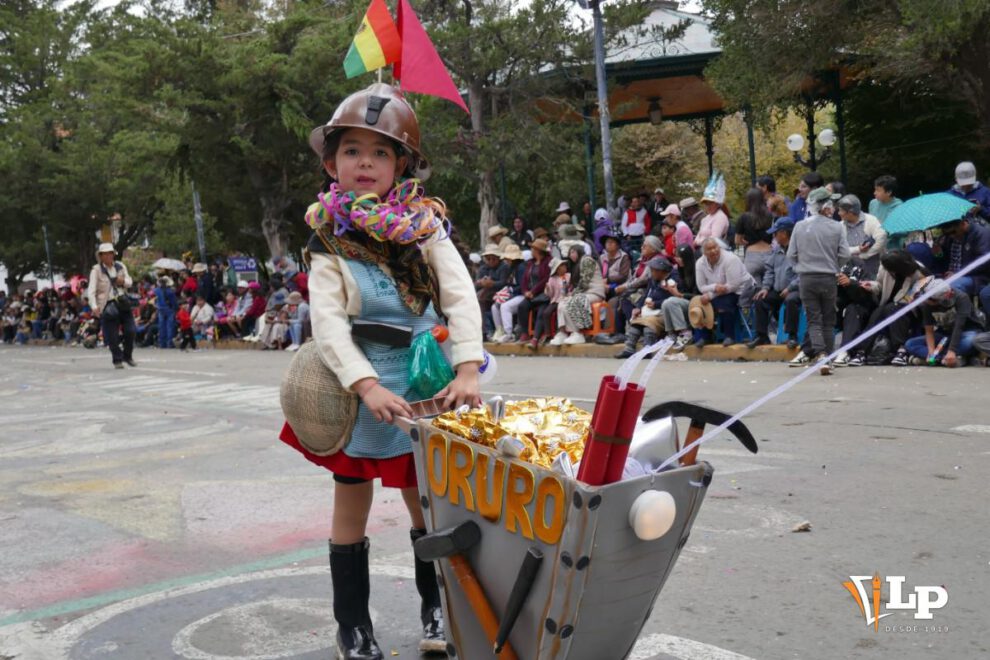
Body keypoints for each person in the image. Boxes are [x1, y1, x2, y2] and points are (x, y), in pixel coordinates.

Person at [278, 83, 483, 660]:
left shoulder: (426, 225)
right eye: (352, 151)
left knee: (426, 499)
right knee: (352, 499)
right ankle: (354, 626)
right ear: (330, 162)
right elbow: (328, 322)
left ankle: (436, 609)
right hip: (360, 386)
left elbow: (461, 296)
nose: (365, 163)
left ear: (402, 165)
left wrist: (467, 368)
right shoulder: (327, 238)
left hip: (425, 379)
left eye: (380, 152)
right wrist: (364, 384)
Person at [787, 188, 851, 374]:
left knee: (813, 319)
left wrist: (802, 266)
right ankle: (827, 357)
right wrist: (833, 264)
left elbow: (791, 255)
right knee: (829, 319)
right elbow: (845, 254)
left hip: (806, 278)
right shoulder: (837, 227)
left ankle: (821, 354)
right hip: (828, 277)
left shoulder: (800, 226)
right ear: (827, 206)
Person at [903, 278, 985, 367]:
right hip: (944, 335)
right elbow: (929, 331)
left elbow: (959, 327)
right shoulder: (927, 304)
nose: (926, 301)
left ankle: (945, 358)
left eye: (930, 299)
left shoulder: (961, 298)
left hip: (966, 332)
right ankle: (948, 359)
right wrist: (931, 352)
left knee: (970, 342)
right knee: (910, 344)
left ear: (941, 299)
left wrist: (952, 351)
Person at [692, 237, 754, 347]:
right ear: (704, 252)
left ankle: (729, 336)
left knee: (723, 302)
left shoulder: (730, 259)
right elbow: (701, 287)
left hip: (741, 290)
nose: (713, 251)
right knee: (700, 303)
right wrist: (715, 287)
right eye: (709, 249)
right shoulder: (700, 263)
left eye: (715, 247)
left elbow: (733, 286)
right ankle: (705, 337)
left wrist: (711, 295)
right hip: (719, 291)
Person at [749, 218, 801, 348]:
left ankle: (792, 337)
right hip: (778, 289)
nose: (774, 236)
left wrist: (790, 288)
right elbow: (769, 271)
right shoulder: (776, 250)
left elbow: (803, 274)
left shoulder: (799, 250)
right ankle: (762, 336)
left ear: (783, 233)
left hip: (795, 290)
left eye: (775, 233)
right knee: (760, 299)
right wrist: (765, 287)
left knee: (791, 301)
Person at [615, 256, 680, 358]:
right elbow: (645, 296)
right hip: (649, 311)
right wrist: (638, 307)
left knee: (648, 327)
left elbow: (674, 299)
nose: (651, 272)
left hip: (664, 313)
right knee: (636, 325)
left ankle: (647, 349)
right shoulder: (653, 280)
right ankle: (629, 349)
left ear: (661, 271)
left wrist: (656, 304)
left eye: (654, 270)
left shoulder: (672, 281)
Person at [87, 243, 137, 369]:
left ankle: (127, 355)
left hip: (122, 302)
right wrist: (94, 306)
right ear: (101, 256)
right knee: (112, 336)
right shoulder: (96, 270)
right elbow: (91, 291)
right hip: (107, 304)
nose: (109, 256)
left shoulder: (120, 266)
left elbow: (130, 282)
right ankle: (117, 359)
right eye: (106, 254)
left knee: (131, 331)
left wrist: (123, 281)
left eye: (111, 253)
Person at [550, 244, 606, 345]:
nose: (571, 255)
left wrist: (572, 295)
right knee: (562, 303)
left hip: (594, 292)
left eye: (573, 252)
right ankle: (563, 332)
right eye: (569, 253)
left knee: (573, 301)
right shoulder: (577, 265)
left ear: (579, 251)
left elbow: (585, 281)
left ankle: (577, 333)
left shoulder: (587, 260)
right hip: (584, 293)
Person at [932, 216, 990, 314]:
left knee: (952, 286)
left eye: (953, 232)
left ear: (963, 223)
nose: (951, 236)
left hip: (977, 276)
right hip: (953, 273)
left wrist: (957, 274)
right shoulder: (949, 238)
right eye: (947, 233)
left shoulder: (980, 234)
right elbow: (944, 258)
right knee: (932, 288)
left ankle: (972, 318)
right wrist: (938, 253)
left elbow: (982, 262)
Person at [836, 194, 888, 279]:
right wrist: (858, 249)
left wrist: (865, 255)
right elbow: (840, 249)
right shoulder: (840, 226)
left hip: (873, 267)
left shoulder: (871, 220)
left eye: (841, 210)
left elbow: (881, 239)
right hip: (850, 271)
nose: (839, 213)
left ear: (850, 212)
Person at [511, 237, 551, 343]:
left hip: (543, 294)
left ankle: (536, 338)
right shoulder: (530, 263)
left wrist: (533, 291)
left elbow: (545, 279)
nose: (531, 251)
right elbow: (524, 279)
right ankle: (525, 333)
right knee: (522, 306)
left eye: (533, 249)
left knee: (541, 312)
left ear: (538, 251)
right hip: (531, 295)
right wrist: (525, 292)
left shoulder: (548, 262)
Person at [734, 187, 774, 294]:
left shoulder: (744, 217)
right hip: (769, 254)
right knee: (768, 289)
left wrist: (744, 242)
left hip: (752, 256)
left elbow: (737, 241)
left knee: (752, 290)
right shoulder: (770, 216)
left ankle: (749, 309)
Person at [528, 257, 570, 349]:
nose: (564, 268)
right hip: (556, 299)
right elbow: (550, 294)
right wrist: (547, 289)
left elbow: (571, 288)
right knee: (546, 313)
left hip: (566, 299)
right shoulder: (552, 279)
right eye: (562, 266)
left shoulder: (568, 276)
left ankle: (562, 331)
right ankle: (548, 333)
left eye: (564, 265)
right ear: (557, 269)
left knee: (560, 311)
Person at [491, 243, 526, 342]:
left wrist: (510, 291)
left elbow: (522, 286)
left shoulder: (521, 268)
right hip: (514, 294)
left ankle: (508, 333)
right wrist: (504, 291)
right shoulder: (511, 268)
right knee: (494, 307)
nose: (506, 260)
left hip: (522, 295)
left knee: (505, 306)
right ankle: (499, 330)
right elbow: (510, 283)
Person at [474, 244, 508, 341]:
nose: (491, 261)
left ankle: (487, 330)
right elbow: (476, 283)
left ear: (498, 258)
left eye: (493, 259)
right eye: (488, 259)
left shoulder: (503, 267)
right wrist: (481, 283)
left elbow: (504, 283)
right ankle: (482, 330)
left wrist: (492, 283)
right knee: (476, 298)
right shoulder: (483, 268)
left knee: (481, 298)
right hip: (485, 291)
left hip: (500, 291)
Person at [694, 172, 729, 247]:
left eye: (710, 203)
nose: (708, 206)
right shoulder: (706, 218)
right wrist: (695, 242)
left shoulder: (720, 217)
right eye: (706, 204)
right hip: (703, 249)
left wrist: (697, 243)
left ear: (717, 204)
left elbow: (714, 238)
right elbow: (699, 234)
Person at [155, 276, 178, 348]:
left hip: (160, 309)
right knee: (169, 326)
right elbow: (174, 302)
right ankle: (169, 343)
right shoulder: (170, 291)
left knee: (161, 326)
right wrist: (176, 309)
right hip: (169, 309)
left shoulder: (156, 290)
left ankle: (162, 343)